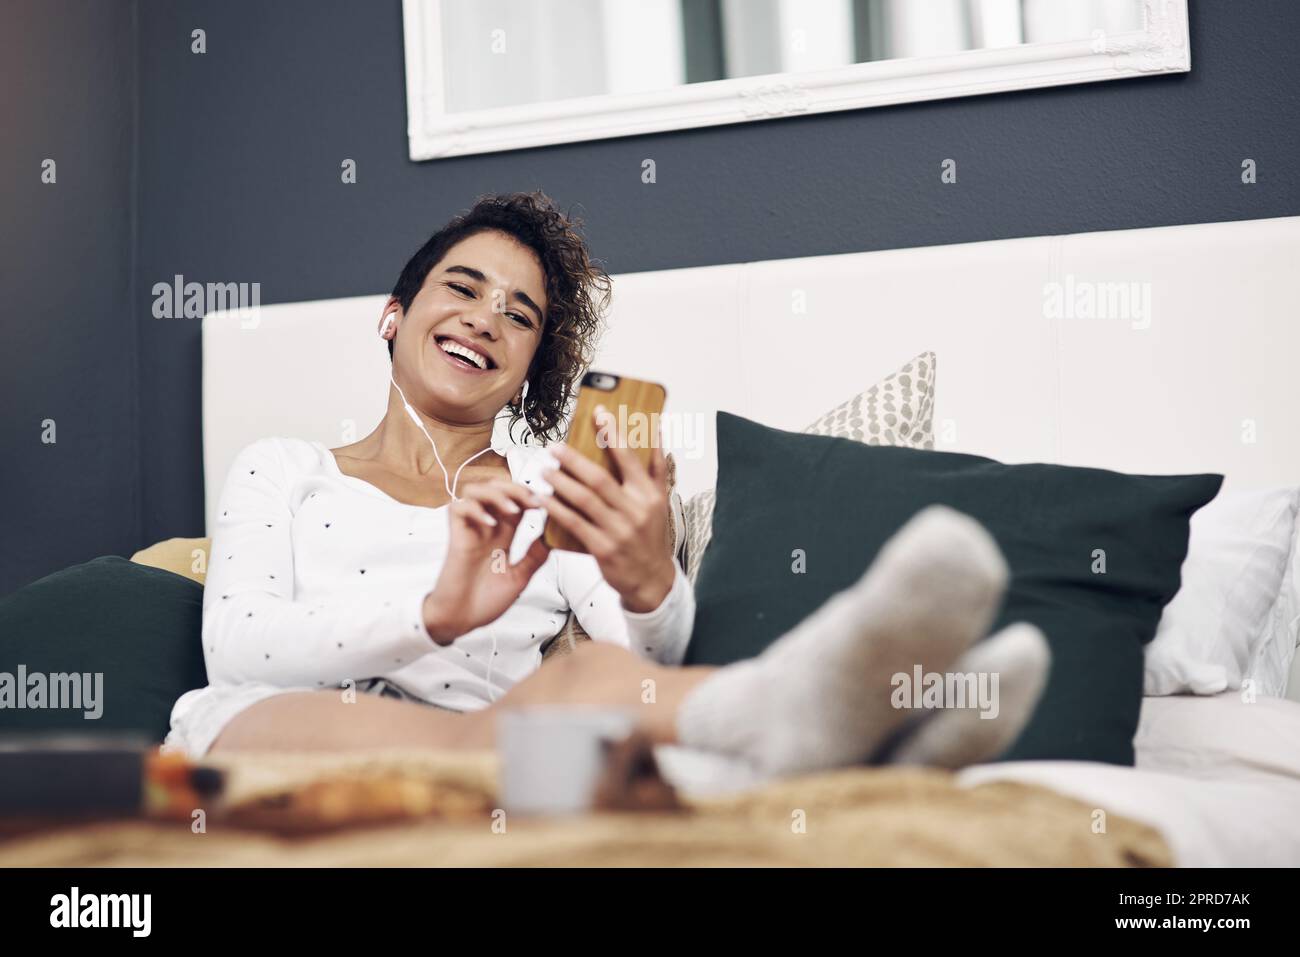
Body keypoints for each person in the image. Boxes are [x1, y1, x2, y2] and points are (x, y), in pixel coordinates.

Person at [164, 192, 1049, 785]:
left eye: (520, 315)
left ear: (525, 372)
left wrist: (650, 575)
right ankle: (820, 742)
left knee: (592, 673)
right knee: (523, 740)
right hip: (274, 735)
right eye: (463, 289)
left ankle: (831, 729)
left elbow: (652, 670)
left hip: (501, 767)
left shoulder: (551, 490)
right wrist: (434, 615)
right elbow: (236, 649)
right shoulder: (283, 466)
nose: (487, 317)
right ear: (393, 317)